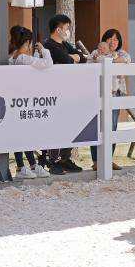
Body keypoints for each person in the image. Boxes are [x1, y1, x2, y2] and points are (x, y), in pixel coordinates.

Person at [41, 14, 86, 175]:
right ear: (58, 30)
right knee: (55, 127)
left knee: (70, 124)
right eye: (66, 28)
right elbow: (67, 60)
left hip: (68, 92)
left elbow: (82, 57)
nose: (68, 31)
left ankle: (65, 158)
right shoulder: (49, 46)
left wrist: (73, 57)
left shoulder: (65, 44)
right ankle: (52, 161)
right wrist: (72, 58)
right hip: (53, 93)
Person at [8, 25, 52, 179]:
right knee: (22, 135)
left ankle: (30, 165)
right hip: (24, 100)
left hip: (18, 101)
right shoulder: (23, 58)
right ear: (27, 42)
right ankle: (22, 167)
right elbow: (48, 63)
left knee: (22, 134)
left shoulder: (12, 58)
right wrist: (43, 50)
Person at [89, 29, 130, 171]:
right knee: (97, 127)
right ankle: (96, 161)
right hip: (98, 94)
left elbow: (127, 59)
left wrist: (108, 59)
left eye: (116, 39)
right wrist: (103, 57)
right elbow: (90, 62)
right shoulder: (96, 52)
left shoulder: (121, 53)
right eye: (110, 39)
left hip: (115, 95)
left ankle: (108, 159)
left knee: (112, 127)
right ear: (104, 40)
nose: (113, 42)